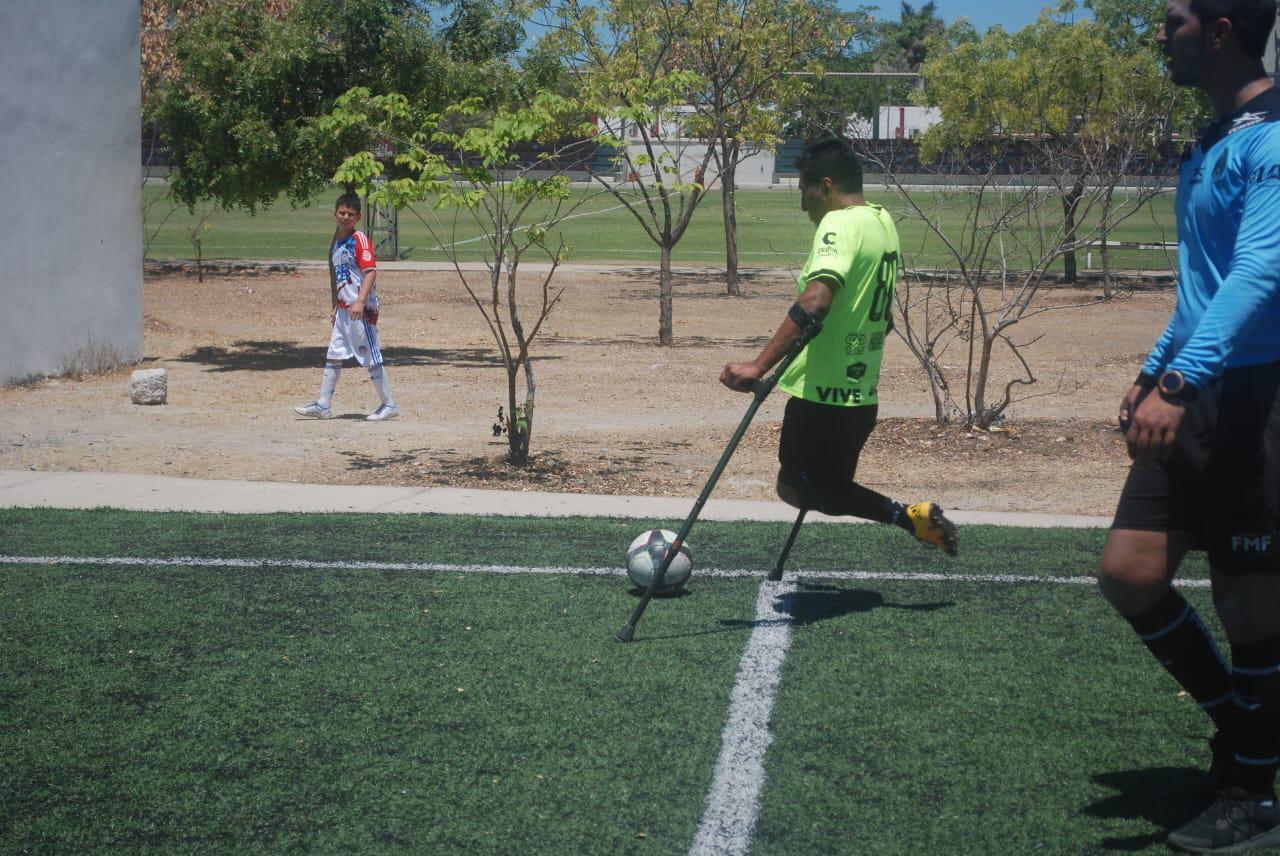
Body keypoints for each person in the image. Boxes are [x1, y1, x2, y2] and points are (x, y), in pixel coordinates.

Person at [1095, 0, 1280, 850]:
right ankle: (1246, 732)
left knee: (1251, 608)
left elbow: (1260, 273)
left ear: (1220, 30)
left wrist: (1179, 381)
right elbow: (1200, 286)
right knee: (1130, 574)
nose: (1159, 37)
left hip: (1254, 399)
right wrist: (1152, 372)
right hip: (1192, 386)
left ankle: (1253, 792)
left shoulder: (1271, 136)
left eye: (1172, 22)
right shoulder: (1210, 141)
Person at [719, 138, 958, 556]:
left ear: (826, 186)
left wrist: (758, 365)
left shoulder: (839, 225)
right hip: (860, 396)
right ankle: (911, 519)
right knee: (830, 486)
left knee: (796, 487)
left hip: (821, 394)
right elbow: (880, 317)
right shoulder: (882, 222)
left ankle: (906, 516)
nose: (803, 206)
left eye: (805, 192)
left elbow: (816, 300)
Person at [294, 192, 399, 421]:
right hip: (344, 311)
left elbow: (370, 272)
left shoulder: (359, 239)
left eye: (350, 214)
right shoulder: (337, 243)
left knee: (369, 356)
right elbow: (341, 277)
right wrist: (336, 305)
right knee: (334, 354)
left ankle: (389, 404)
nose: (345, 217)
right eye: (341, 213)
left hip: (360, 311)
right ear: (334, 214)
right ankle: (323, 405)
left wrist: (359, 301)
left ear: (358, 217)